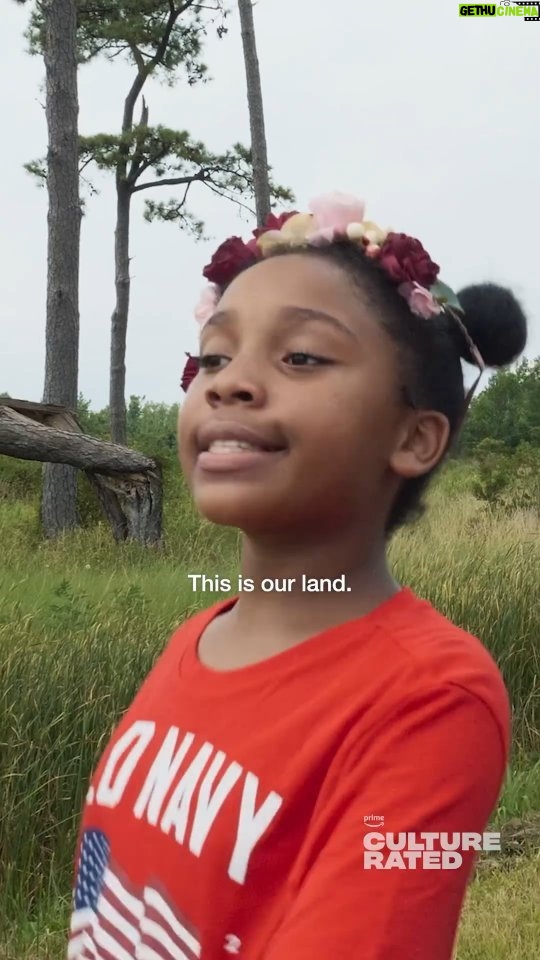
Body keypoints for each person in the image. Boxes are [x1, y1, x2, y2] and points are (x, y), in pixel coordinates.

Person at [68, 193, 527, 960]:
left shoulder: (435, 701)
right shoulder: (198, 637)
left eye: (302, 357)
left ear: (414, 437)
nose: (228, 383)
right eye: (215, 357)